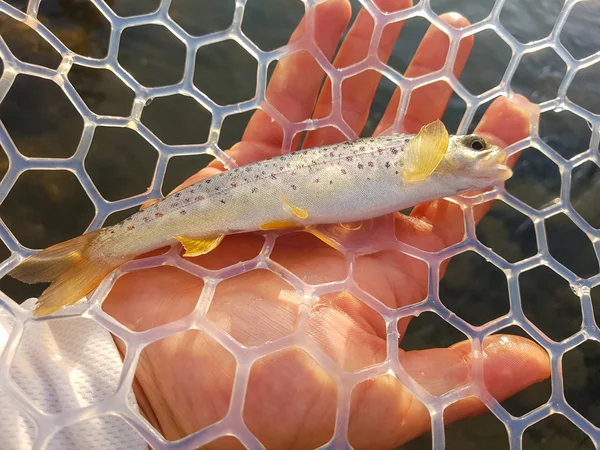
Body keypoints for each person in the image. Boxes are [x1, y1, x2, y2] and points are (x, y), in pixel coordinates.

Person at [76, 0, 548, 448]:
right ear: (437, 145)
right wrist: (149, 402)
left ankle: (97, 257)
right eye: (477, 147)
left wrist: (144, 391)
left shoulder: (429, 176)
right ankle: (99, 252)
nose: (488, 156)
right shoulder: (425, 160)